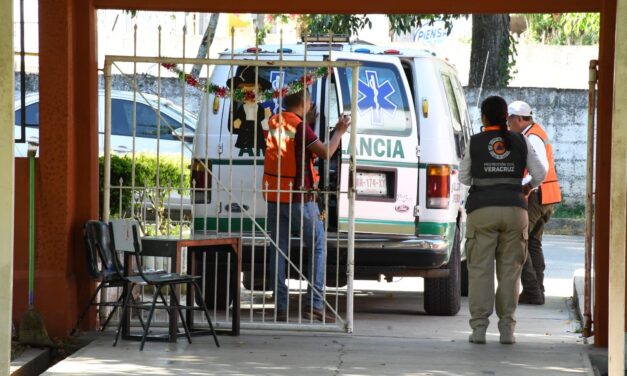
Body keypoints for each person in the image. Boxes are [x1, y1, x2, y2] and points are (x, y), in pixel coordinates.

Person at [460, 96, 547, 344]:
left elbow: (464, 178)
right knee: (510, 272)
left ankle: (478, 330)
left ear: (484, 118)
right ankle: (507, 330)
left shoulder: (475, 142)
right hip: (515, 210)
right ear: (505, 117)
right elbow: (540, 172)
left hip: (481, 210)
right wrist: (527, 187)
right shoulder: (521, 140)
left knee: (480, 272)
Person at [262, 88, 351, 322]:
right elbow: (326, 153)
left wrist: (307, 122)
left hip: (275, 195)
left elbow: (290, 148)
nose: (312, 104)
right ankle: (315, 305)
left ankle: (280, 306)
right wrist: (339, 132)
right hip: (299, 197)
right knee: (317, 246)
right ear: (304, 103)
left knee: (278, 250)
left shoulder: (274, 120)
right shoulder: (300, 127)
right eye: (310, 101)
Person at [507, 100, 562, 305]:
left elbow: (542, 169)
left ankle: (532, 291)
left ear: (520, 119)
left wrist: (525, 186)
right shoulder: (534, 132)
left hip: (537, 196)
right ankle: (537, 289)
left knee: (518, 241)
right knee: (533, 244)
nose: (508, 123)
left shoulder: (532, 137)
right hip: (547, 196)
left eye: (510, 119)